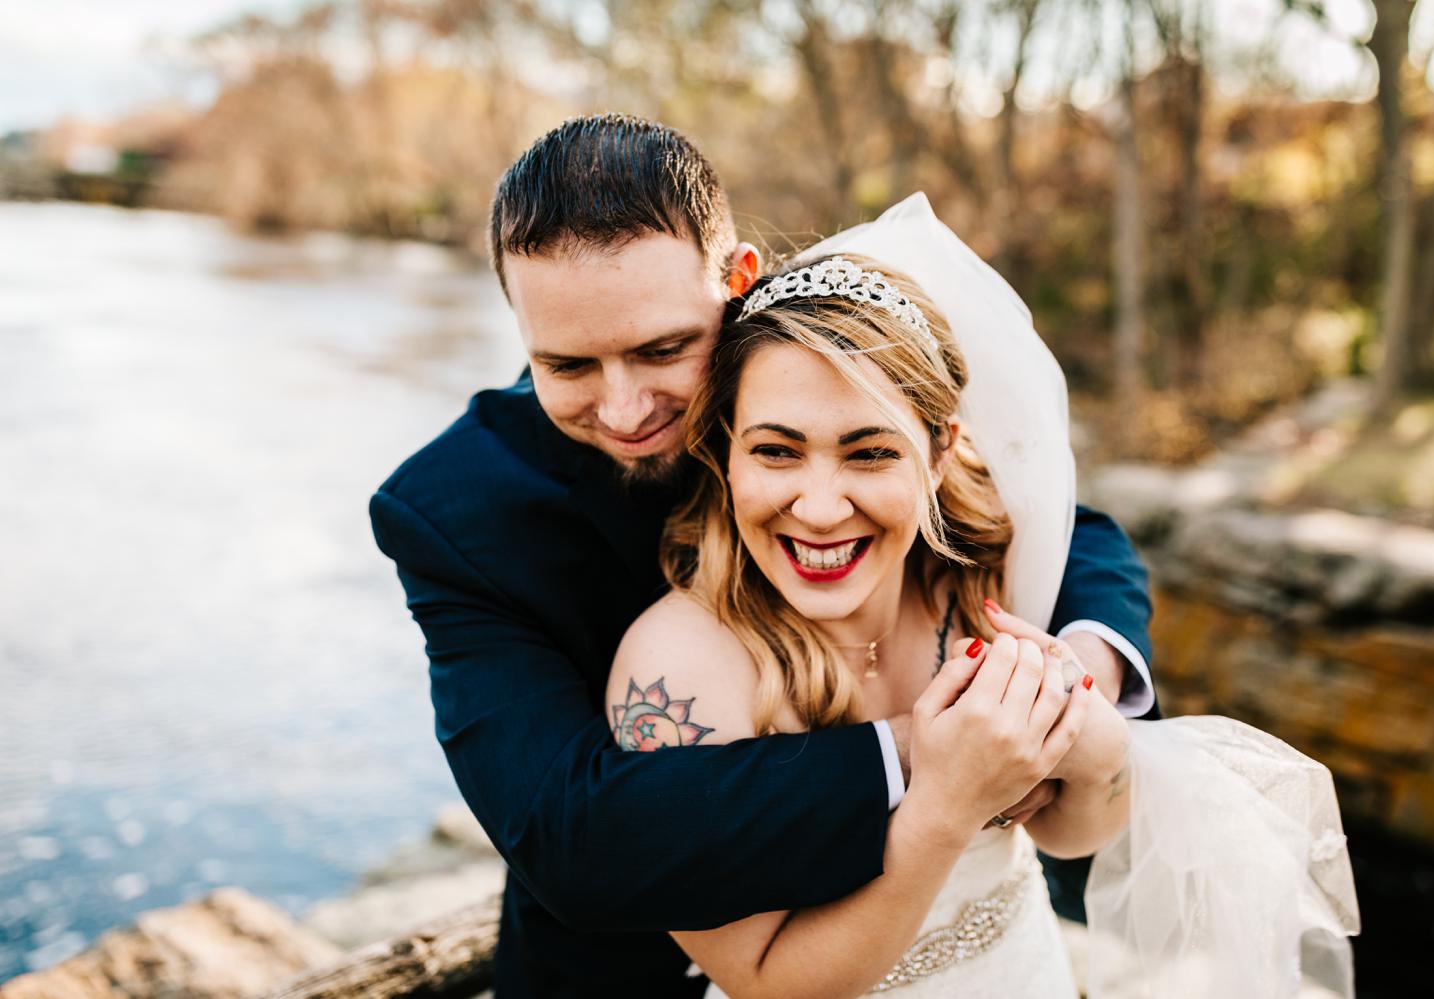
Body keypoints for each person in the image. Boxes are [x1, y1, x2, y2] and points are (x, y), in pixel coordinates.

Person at [369, 114, 1157, 997]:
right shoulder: (451, 514)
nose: (625, 410)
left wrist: (1073, 677)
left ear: (739, 284)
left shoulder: (820, 354)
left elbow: (1053, 514)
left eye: (664, 348)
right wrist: (939, 747)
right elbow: (573, 833)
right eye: (567, 366)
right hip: (619, 967)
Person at [606, 202, 1359, 997]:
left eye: (870, 452)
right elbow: (764, 981)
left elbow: (1077, 832)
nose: (821, 505)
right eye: (776, 451)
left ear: (938, 454)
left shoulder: (981, 579)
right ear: (722, 449)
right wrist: (948, 804)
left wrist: (1081, 729)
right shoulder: (676, 674)